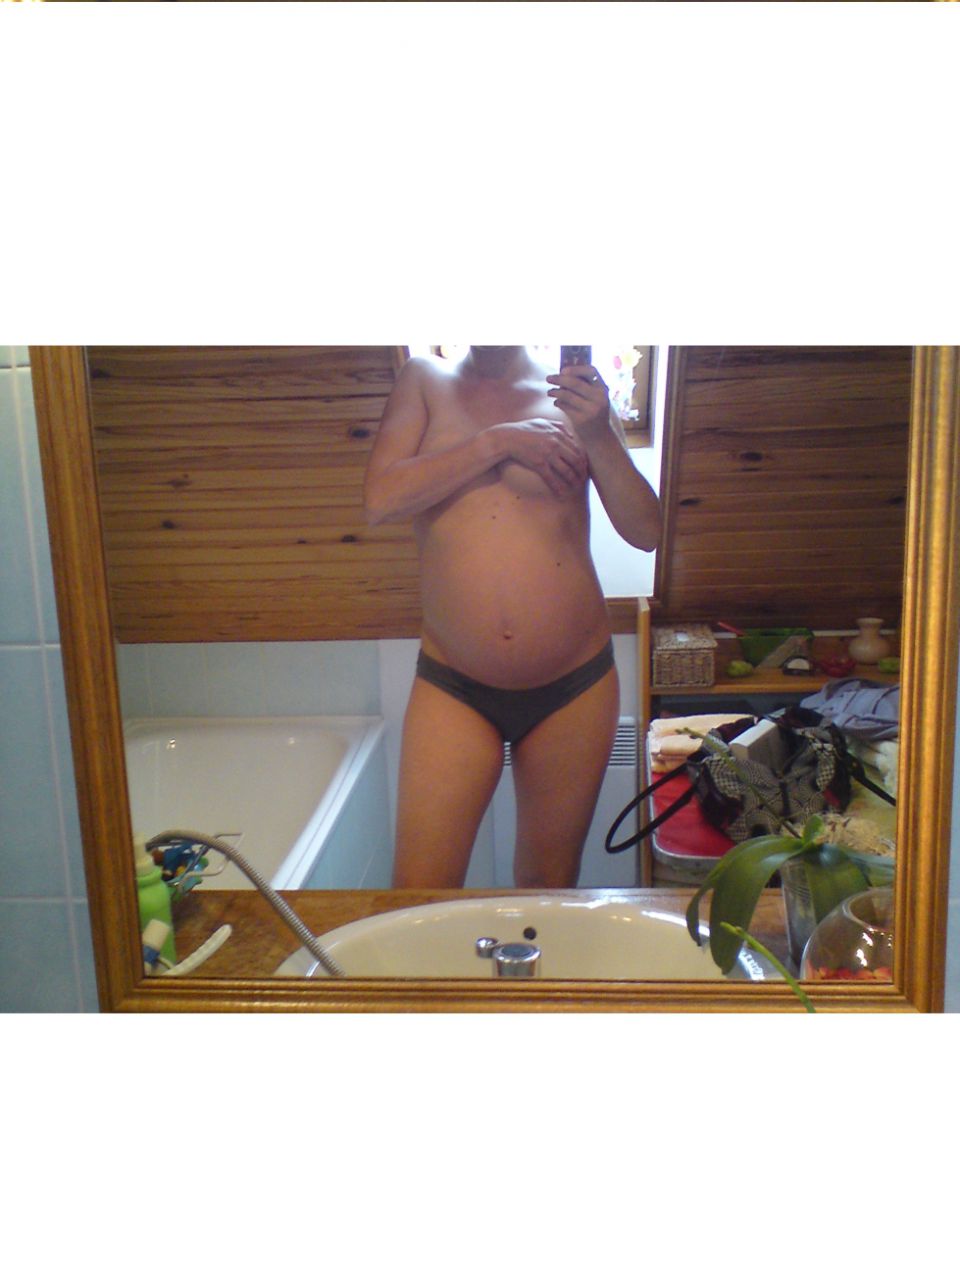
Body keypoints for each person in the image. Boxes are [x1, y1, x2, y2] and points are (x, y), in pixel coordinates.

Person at [364, 346, 661, 888]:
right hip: (454, 683)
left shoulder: (573, 395)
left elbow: (645, 531)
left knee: (546, 888)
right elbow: (381, 499)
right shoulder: (424, 379)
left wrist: (597, 433)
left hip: (574, 685)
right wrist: (496, 442)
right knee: (418, 892)